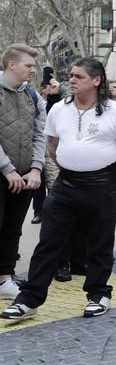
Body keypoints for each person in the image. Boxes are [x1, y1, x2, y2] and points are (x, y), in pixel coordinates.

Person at [1, 58, 116, 320]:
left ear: (96, 81)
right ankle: (29, 299)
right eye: (71, 76)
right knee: (49, 242)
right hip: (65, 185)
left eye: (79, 76)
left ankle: (98, 294)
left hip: (101, 186)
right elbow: (52, 145)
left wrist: (109, 177)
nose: (71, 80)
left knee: (99, 244)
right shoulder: (59, 109)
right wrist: (71, 163)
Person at [0, 44, 46, 299]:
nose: (33, 69)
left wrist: (36, 168)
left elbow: (40, 133)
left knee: (13, 227)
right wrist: (7, 170)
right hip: (5, 172)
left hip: (25, 174)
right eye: (29, 65)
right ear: (11, 65)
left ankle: (4, 277)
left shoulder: (32, 95)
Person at [31, 71, 61, 224]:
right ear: (43, 88)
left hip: (51, 146)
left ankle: (52, 210)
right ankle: (39, 211)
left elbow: (55, 118)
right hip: (36, 146)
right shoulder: (33, 98)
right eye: (47, 87)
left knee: (53, 180)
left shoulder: (56, 101)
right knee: (38, 181)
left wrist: (55, 96)